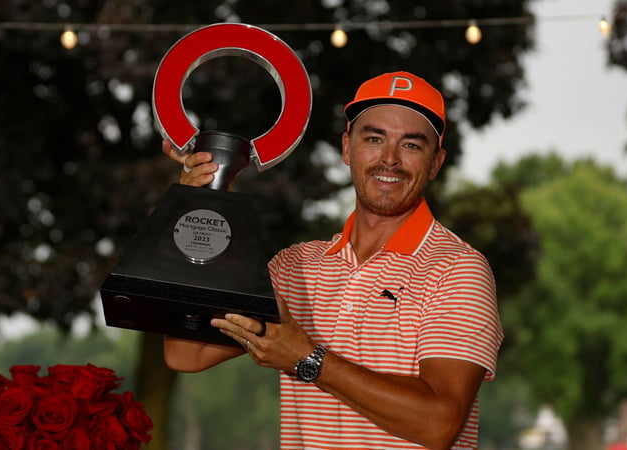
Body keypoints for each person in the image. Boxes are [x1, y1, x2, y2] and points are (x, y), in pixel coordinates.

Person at [162, 71, 503, 450]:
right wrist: (200, 209)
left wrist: (308, 358)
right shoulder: (295, 267)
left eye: (411, 145)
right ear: (347, 148)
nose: (389, 159)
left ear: (436, 162)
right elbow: (185, 352)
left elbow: (440, 423)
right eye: (374, 139)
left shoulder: (458, 269)